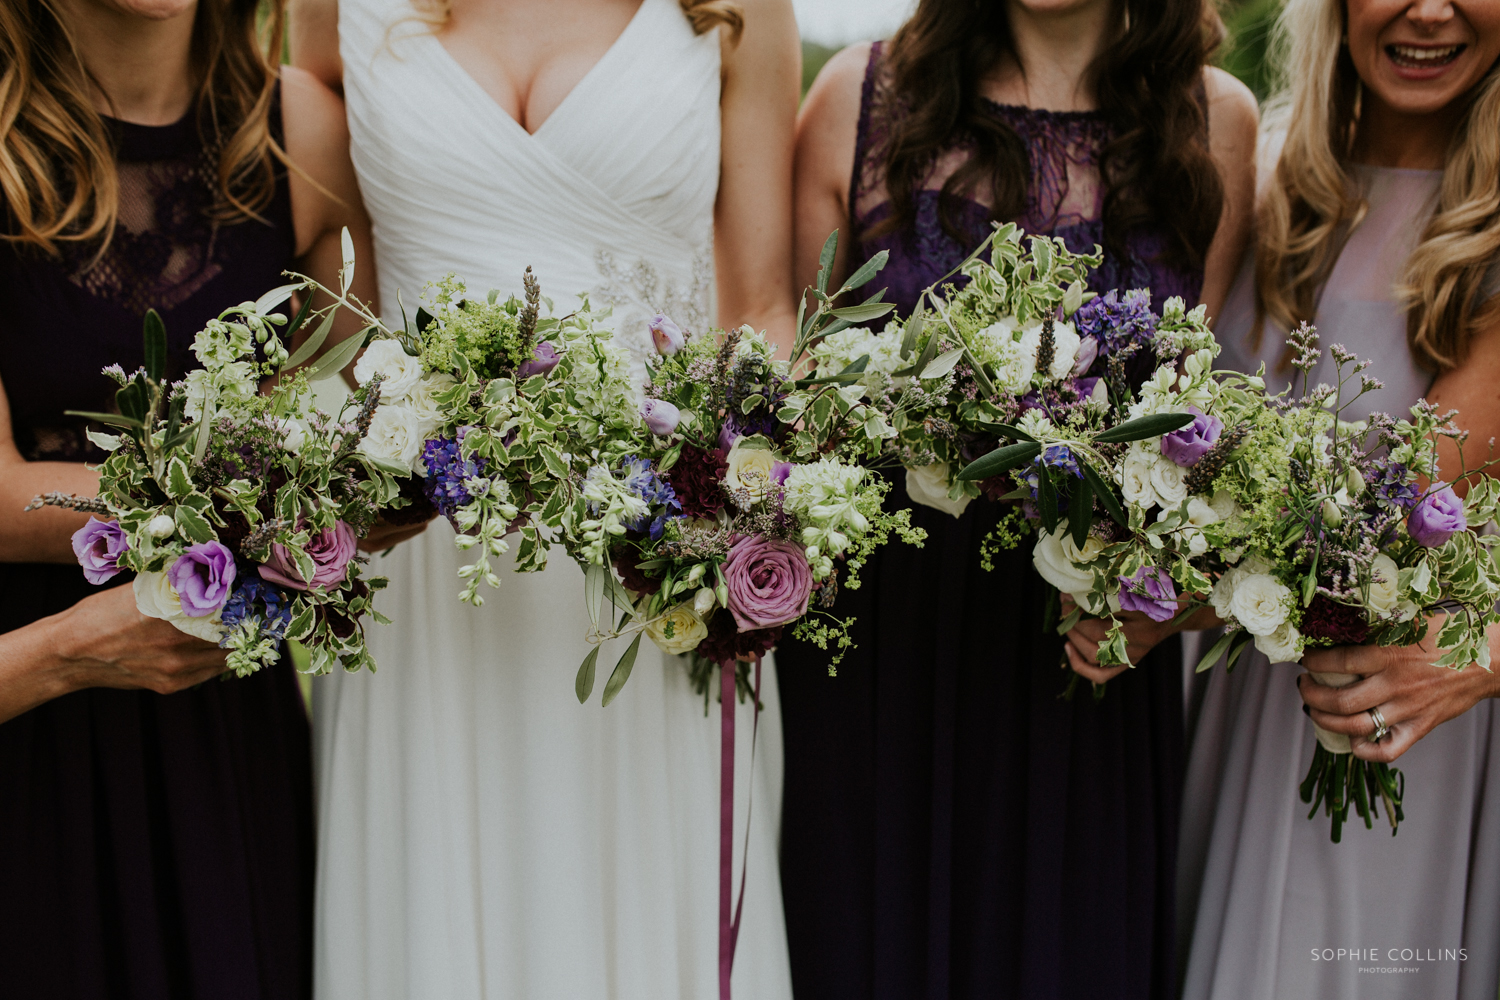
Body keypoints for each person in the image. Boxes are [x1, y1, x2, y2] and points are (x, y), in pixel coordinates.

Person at [288, 0, 800, 995]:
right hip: (424, 556)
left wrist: (744, 490)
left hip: (655, 556)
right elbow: (330, 288)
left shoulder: (737, 10)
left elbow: (761, 305)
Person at [779, 0, 1257, 996]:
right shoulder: (856, 102)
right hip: (882, 650)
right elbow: (799, 396)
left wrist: (1155, 606)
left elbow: (1193, 428)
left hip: (1084, 659)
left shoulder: (1215, 121)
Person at [0, 0, 374, 989]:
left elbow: (361, 402)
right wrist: (239, 509)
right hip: (36, 702)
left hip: (216, 700)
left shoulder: (305, 132)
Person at [1177, 0, 1500, 997]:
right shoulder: (1257, 180)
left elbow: (1416, 490)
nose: (1428, 10)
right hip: (1239, 696)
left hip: (1419, 707)